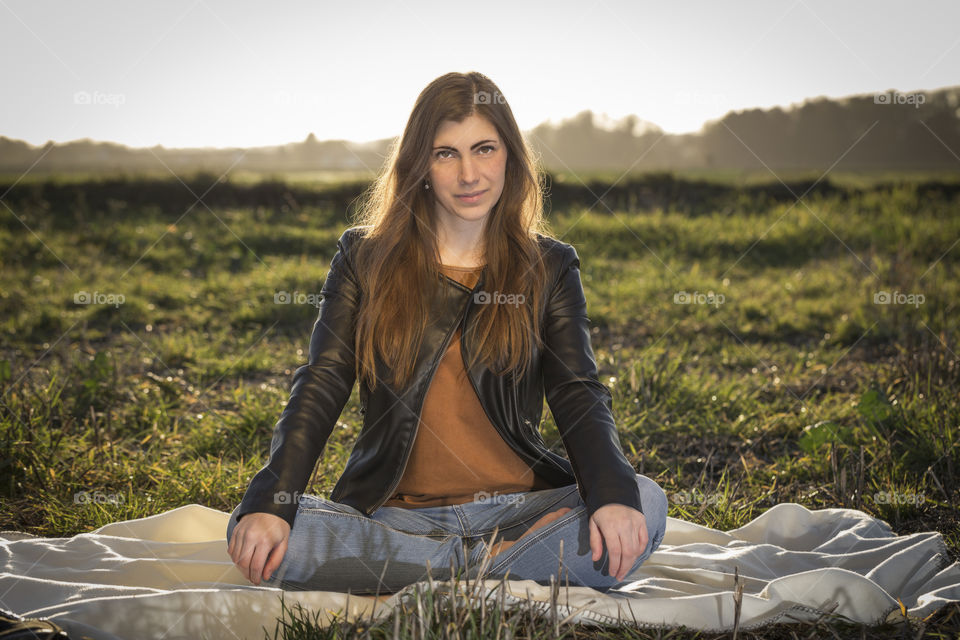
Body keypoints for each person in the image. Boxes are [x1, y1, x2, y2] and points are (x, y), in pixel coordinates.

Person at [226, 71, 668, 595]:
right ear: (420, 165)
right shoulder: (363, 257)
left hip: (520, 511)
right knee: (256, 530)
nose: (468, 174)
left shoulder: (549, 266)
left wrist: (612, 496)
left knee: (644, 501)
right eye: (445, 154)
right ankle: (490, 568)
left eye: (484, 149)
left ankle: (434, 571)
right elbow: (321, 383)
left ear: (510, 156)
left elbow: (578, 391)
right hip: (394, 518)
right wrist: (273, 501)